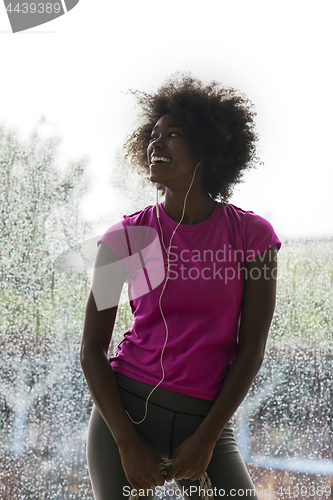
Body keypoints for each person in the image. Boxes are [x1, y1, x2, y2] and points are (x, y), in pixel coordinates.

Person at [80, 74, 281, 500]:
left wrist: (207, 438)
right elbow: (91, 349)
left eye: (173, 134)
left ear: (209, 147)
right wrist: (126, 443)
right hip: (124, 419)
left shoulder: (253, 237)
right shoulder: (125, 239)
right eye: (153, 135)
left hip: (206, 424)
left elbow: (252, 348)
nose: (157, 143)